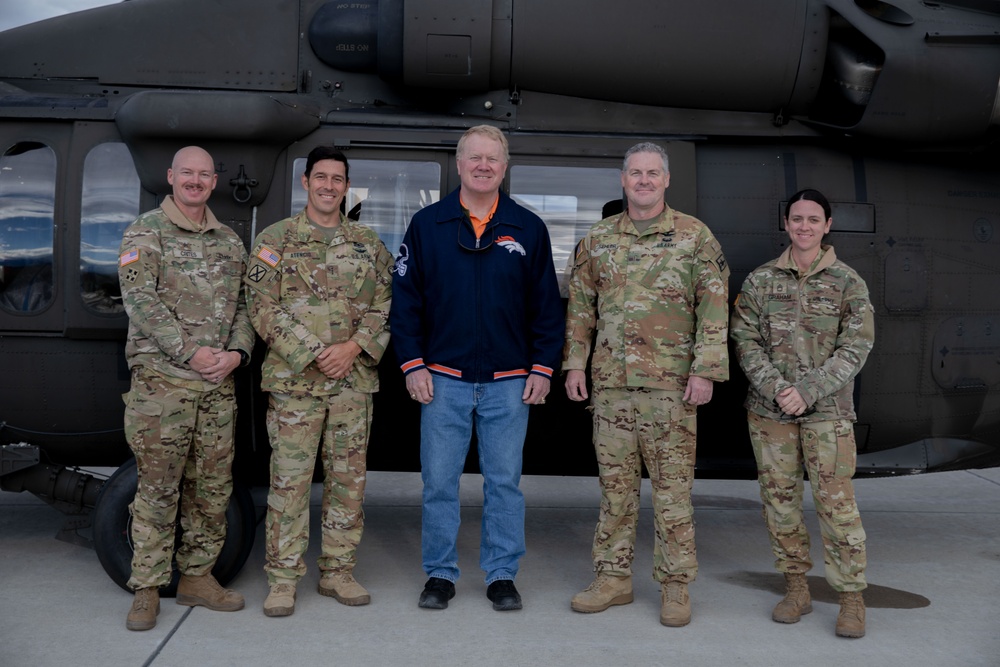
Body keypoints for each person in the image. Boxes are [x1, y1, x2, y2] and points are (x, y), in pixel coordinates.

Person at [389, 125, 563, 611]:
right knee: (439, 482)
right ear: (460, 163)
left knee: (504, 483)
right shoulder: (427, 225)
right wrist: (413, 365)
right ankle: (440, 574)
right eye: (475, 158)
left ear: (504, 168)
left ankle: (502, 574)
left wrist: (543, 368)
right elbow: (405, 304)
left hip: (509, 382)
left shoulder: (529, 228)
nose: (483, 165)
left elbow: (546, 308)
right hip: (442, 379)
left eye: (493, 159)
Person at [563, 142, 729, 627]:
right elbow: (580, 309)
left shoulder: (695, 238)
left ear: (666, 180)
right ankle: (612, 579)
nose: (643, 181)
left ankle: (675, 586)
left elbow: (715, 308)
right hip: (612, 386)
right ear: (622, 180)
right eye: (635, 173)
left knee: (673, 492)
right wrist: (575, 365)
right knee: (615, 490)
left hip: (671, 388)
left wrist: (704, 371)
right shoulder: (597, 240)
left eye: (652, 173)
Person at [245, 146, 393, 617]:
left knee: (348, 483)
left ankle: (338, 572)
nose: (329, 186)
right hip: (294, 386)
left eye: (338, 178)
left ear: (347, 187)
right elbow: (260, 306)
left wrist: (352, 348)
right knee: (289, 484)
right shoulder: (276, 239)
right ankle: (283, 579)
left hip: (352, 384)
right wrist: (312, 353)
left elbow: (387, 303)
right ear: (305, 182)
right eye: (321, 177)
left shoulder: (368, 243)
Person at [117, 146, 255, 631]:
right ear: (171, 177)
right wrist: (190, 351)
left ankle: (197, 578)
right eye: (187, 173)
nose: (195, 181)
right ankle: (147, 589)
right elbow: (139, 298)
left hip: (217, 389)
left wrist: (236, 355)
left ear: (214, 181)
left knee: (212, 490)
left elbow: (245, 308)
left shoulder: (230, 242)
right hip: (164, 387)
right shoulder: (145, 232)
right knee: (157, 490)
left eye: (204, 174)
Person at [730, 188, 874, 638]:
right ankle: (797, 591)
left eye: (814, 219)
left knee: (837, 509)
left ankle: (851, 600)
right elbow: (744, 341)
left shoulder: (849, 283)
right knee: (781, 505)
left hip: (827, 413)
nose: (805, 226)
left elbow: (857, 346)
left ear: (827, 225)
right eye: (797, 219)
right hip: (770, 413)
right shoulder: (760, 281)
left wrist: (807, 391)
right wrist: (777, 389)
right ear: (786, 223)